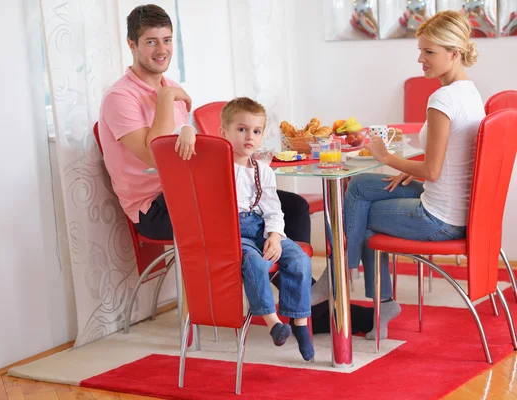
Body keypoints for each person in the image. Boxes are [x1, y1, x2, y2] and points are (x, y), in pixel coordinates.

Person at [314, 10, 485, 340]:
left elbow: (432, 170)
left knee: (359, 213)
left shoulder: (443, 99)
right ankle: (360, 288)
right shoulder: (471, 93)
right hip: (457, 208)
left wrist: (387, 157)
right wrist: (408, 173)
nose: (420, 59)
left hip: (439, 219)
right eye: (420, 50)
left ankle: (339, 280)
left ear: (454, 52)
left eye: (429, 52)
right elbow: (448, 162)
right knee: (361, 185)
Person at [98, 4, 312, 245]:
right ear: (132, 45)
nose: (162, 50)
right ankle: (248, 279)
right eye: (151, 42)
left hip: (192, 190)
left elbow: (186, 148)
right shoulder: (120, 98)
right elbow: (155, 157)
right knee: (245, 218)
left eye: (167, 40)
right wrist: (166, 98)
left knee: (293, 207)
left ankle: (299, 282)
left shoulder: (169, 85)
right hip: (155, 207)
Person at [219, 97, 314, 361]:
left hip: (260, 227)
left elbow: (273, 209)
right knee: (255, 264)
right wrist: (187, 131)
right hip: (232, 231)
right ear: (223, 133)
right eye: (241, 129)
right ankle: (273, 323)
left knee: (298, 259)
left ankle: (299, 323)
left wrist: (274, 235)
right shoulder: (217, 165)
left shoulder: (263, 170)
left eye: (256, 131)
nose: (249, 136)